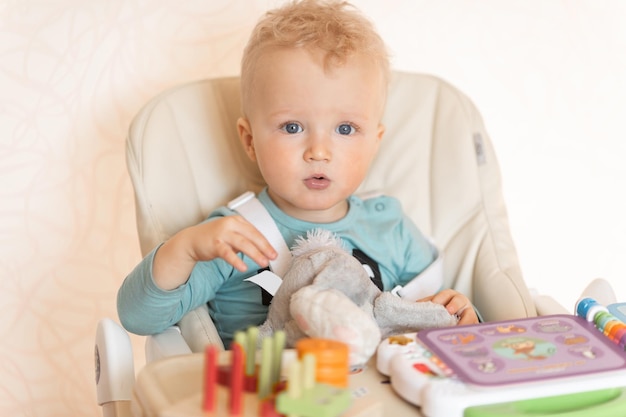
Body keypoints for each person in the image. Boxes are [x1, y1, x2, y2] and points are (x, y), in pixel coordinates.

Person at [117, 0, 478, 348]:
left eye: (346, 129)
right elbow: (139, 318)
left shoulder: (391, 226)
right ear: (250, 140)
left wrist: (460, 314)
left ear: (375, 142)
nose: (318, 151)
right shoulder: (232, 237)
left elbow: (438, 320)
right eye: (292, 127)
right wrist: (186, 248)